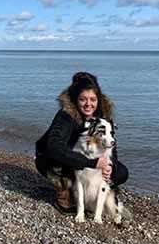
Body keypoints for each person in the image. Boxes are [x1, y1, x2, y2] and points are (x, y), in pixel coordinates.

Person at [35, 72, 129, 213]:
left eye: (93, 99)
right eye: (83, 99)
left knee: (121, 173)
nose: (88, 104)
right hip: (52, 159)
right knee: (64, 170)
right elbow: (53, 147)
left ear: (99, 100)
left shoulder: (104, 116)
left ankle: (99, 190)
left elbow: (111, 148)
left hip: (85, 156)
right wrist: (91, 163)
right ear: (75, 99)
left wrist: (110, 167)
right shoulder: (66, 116)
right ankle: (64, 190)